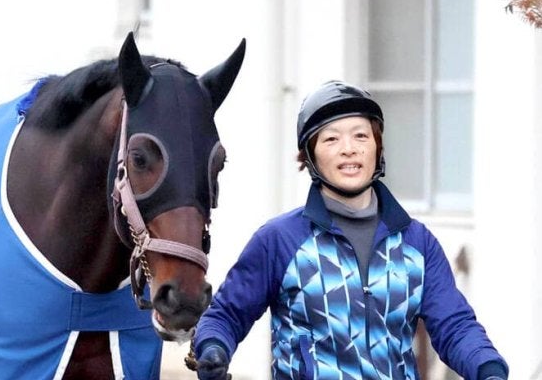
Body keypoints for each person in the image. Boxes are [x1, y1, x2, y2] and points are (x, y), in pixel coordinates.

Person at [192, 80, 508, 380]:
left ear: (377, 148)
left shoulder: (417, 242)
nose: (349, 149)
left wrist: (487, 367)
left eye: (361, 136)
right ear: (310, 156)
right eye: (331, 139)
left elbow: (455, 325)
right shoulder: (278, 240)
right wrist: (213, 348)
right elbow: (226, 315)